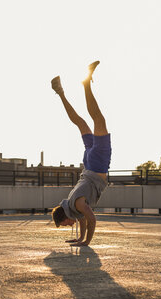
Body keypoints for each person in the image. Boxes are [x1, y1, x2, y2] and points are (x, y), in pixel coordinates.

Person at [50, 61, 111, 247]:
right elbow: (84, 219)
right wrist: (80, 238)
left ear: (63, 218)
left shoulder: (76, 205)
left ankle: (85, 84)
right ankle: (60, 93)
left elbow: (91, 219)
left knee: (98, 118)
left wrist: (86, 242)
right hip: (88, 163)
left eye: (64, 225)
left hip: (97, 164)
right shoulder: (72, 203)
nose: (68, 226)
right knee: (81, 123)